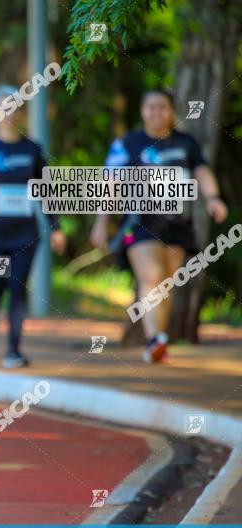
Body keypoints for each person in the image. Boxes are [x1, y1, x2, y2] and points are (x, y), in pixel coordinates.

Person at [91, 89, 228, 363]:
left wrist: (213, 198)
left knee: (166, 282)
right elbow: (110, 184)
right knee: (150, 277)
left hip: (176, 222)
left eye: (162, 107)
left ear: (171, 111)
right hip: (140, 221)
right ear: (142, 111)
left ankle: (159, 338)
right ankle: (155, 339)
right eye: (151, 107)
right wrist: (101, 222)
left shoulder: (185, 142)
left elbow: (201, 171)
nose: (157, 112)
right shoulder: (127, 144)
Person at [0, 85, 66, 368]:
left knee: (18, 289)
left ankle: (14, 349)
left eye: (13, 107)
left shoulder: (32, 150)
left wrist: (55, 227)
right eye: (2, 108)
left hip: (25, 235)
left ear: (20, 112)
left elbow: (47, 191)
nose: (8, 113)